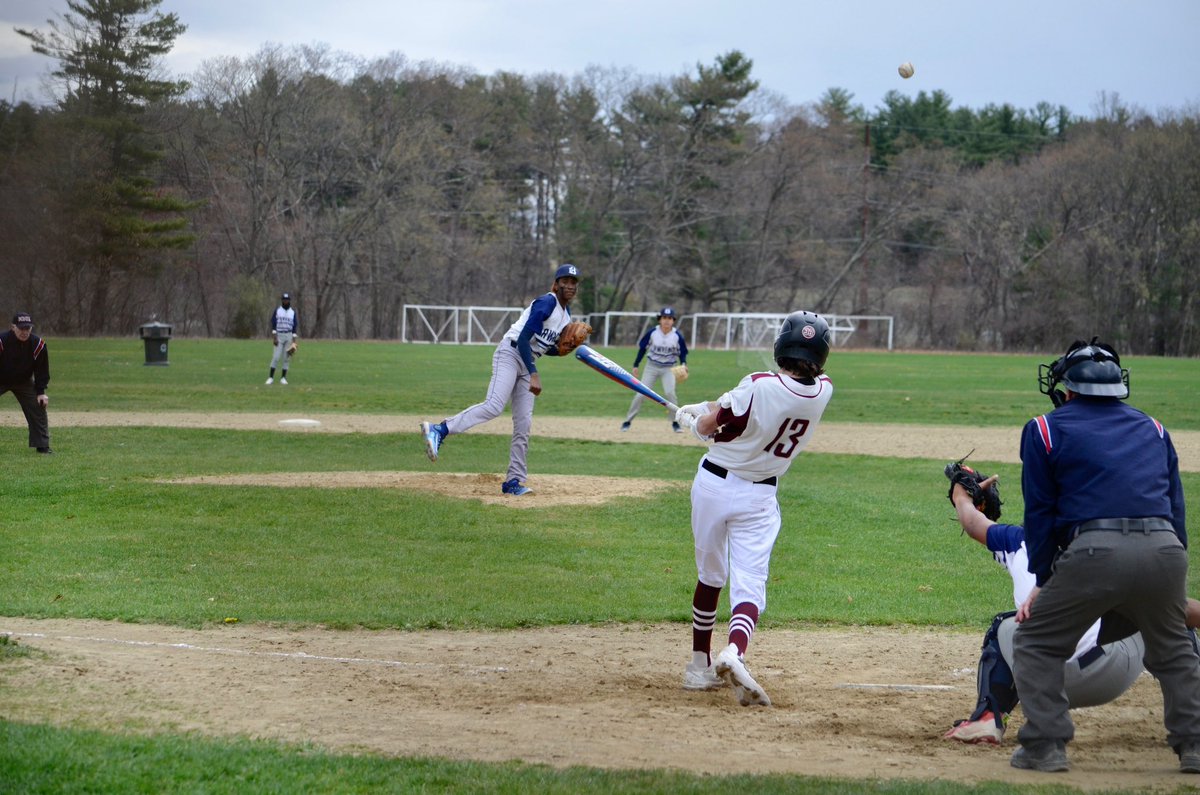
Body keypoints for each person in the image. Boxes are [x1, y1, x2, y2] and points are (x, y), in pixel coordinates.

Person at [1008, 338, 1200, 773]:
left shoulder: (1044, 427)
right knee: (1173, 650)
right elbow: (1177, 511)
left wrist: (1043, 580)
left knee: (1036, 641)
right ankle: (1195, 745)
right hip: (1165, 550)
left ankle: (1045, 745)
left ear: (1068, 389)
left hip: (1095, 551)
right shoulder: (1154, 428)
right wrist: (1169, 580)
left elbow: (1041, 514)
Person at [944, 475, 1200, 746]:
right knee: (1168, 617)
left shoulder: (1020, 542)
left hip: (1038, 678)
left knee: (1003, 627)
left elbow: (973, 524)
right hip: (1107, 675)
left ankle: (987, 718)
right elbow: (1181, 609)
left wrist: (962, 495)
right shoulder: (1106, 550)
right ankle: (1194, 721)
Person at [674, 310, 833, 706]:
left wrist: (693, 421)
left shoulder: (758, 383)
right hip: (760, 497)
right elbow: (744, 406)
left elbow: (714, 425)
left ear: (781, 345)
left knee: (711, 573)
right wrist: (706, 406)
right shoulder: (824, 390)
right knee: (750, 583)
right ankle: (735, 650)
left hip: (713, 484)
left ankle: (698, 666)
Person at [420, 264, 581, 496]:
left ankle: (513, 481)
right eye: (565, 280)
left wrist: (563, 349)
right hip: (511, 353)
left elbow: (543, 347)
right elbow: (525, 339)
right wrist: (534, 374)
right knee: (494, 405)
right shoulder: (547, 303)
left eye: (574, 282)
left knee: (524, 425)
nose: (570, 285)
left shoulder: (566, 316)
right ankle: (439, 429)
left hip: (528, 360)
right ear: (555, 285)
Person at [621, 307, 689, 433]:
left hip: (669, 368)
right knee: (640, 394)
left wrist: (684, 364)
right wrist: (636, 364)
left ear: (673, 321)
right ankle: (628, 421)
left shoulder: (676, 335)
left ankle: (675, 422)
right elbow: (642, 349)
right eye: (664, 318)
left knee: (670, 394)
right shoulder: (653, 332)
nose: (667, 321)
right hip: (651, 367)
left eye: (669, 318)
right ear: (660, 319)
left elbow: (683, 352)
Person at [0, 312, 52, 454]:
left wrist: (41, 392)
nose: (24, 332)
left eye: (27, 328)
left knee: (37, 407)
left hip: (23, 381)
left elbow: (42, 370)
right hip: (1, 378)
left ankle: (42, 446)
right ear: (13, 327)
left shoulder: (38, 344)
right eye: (21, 328)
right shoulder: (1, 341)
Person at [266, 292, 298, 385]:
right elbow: (273, 324)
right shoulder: (278, 311)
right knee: (276, 357)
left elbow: (294, 327)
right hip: (279, 335)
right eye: (284, 299)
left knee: (286, 358)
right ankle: (270, 377)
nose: (285, 301)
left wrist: (294, 341)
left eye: (287, 300)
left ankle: (283, 378)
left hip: (288, 335)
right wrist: (274, 337)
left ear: (289, 301)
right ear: (282, 301)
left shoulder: (292, 312)